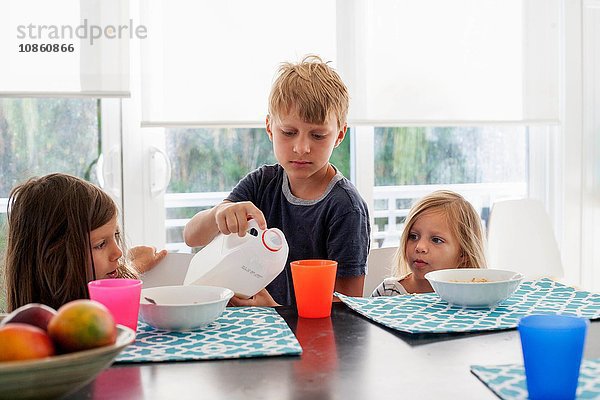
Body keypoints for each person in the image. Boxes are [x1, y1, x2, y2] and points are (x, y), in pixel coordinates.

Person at [184, 55, 370, 307]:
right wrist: (221, 212)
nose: (302, 147)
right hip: (255, 331)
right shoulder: (262, 183)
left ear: (339, 135)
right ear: (270, 128)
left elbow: (347, 309)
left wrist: (274, 310)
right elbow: (192, 236)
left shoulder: (345, 207)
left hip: (308, 340)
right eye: (288, 132)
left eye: (317, 135)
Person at [3, 173, 167, 311]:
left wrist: (132, 265)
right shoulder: (74, 327)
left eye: (115, 235)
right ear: (55, 259)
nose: (118, 253)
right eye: (101, 244)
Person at [371, 190, 486, 296]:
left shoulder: (474, 297)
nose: (420, 247)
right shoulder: (388, 293)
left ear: (464, 254)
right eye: (413, 236)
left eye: (436, 240)